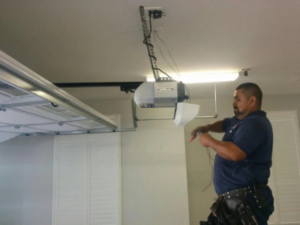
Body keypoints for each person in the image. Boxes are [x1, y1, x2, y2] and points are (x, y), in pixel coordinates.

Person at [191, 83, 274, 225]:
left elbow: (236, 153)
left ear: (252, 100)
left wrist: (209, 140)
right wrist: (208, 127)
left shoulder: (255, 123)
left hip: (245, 202)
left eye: (237, 99)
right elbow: (224, 124)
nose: (233, 102)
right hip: (232, 202)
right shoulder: (240, 121)